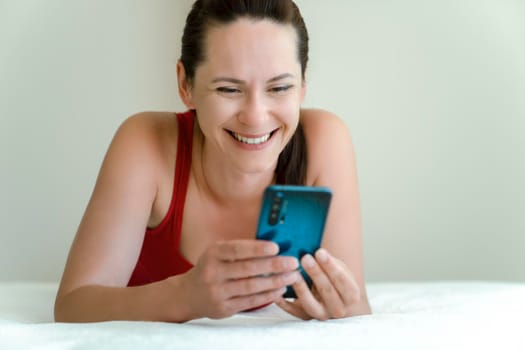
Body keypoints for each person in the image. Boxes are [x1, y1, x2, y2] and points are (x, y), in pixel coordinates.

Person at [54, 0, 371, 322]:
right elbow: (73, 306)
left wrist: (339, 309)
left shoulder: (324, 139)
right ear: (185, 84)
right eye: (229, 89)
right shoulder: (146, 142)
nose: (255, 117)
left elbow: (355, 309)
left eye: (280, 87)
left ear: (302, 86)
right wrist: (185, 296)